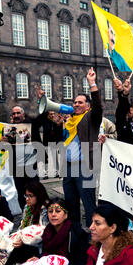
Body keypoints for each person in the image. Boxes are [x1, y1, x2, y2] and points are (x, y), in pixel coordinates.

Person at [53, 67, 103, 228]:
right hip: (68, 167)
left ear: (88, 106)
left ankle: (92, 235)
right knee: (71, 202)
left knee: (88, 203)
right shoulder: (70, 121)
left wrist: (92, 83)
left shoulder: (90, 118)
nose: (76, 105)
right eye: (74, 102)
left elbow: (98, 106)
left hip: (84, 167)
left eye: (80, 102)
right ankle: (74, 233)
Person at [11, 197, 89, 265]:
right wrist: (39, 258)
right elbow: (47, 254)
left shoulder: (76, 233)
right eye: (50, 211)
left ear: (66, 215)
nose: (53, 215)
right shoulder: (48, 231)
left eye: (58, 211)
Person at [0, 181, 49, 265]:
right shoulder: (27, 207)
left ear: (39, 196)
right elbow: (22, 226)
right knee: (1, 240)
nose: (27, 199)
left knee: (17, 249)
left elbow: (44, 235)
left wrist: (23, 241)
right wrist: (16, 237)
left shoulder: (45, 211)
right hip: (23, 238)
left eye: (31, 196)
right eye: (26, 195)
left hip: (36, 245)